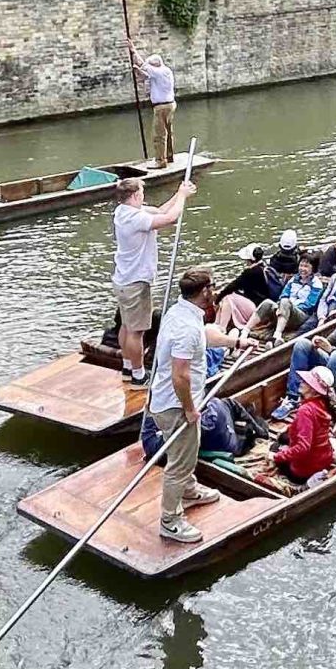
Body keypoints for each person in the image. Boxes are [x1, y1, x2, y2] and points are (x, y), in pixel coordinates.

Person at [151, 268, 224, 543]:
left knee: (187, 453)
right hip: (175, 406)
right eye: (213, 287)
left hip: (166, 401)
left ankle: (190, 491)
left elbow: (203, 338)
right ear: (204, 291)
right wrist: (190, 409)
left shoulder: (179, 312)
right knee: (180, 463)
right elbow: (179, 374)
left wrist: (235, 341)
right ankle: (169, 520)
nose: (215, 291)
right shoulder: (186, 328)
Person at [112, 169, 196, 382]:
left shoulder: (122, 211)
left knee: (126, 325)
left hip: (123, 279)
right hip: (135, 282)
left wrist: (179, 193)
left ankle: (127, 366)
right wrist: (184, 198)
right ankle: (138, 375)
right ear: (135, 195)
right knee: (137, 331)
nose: (143, 196)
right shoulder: (135, 218)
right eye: (141, 192)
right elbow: (170, 218)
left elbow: (159, 211)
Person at [271, 369, 336, 485]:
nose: (301, 382)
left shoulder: (305, 410)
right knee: (283, 437)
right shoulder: (322, 404)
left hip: (303, 471)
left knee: (275, 448)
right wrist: (288, 429)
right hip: (324, 459)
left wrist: (277, 457)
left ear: (314, 390)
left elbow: (303, 447)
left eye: (306, 382)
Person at [130, 47, 177, 165]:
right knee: (168, 132)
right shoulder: (166, 71)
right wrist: (138, 71)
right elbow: (146, 76)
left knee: (159, 135)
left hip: (161, 107)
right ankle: (169, 156)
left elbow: (144, 65)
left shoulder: (159, 72)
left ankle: (160, 161)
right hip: (170, 105)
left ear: (155, 66)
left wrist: (133, 50)